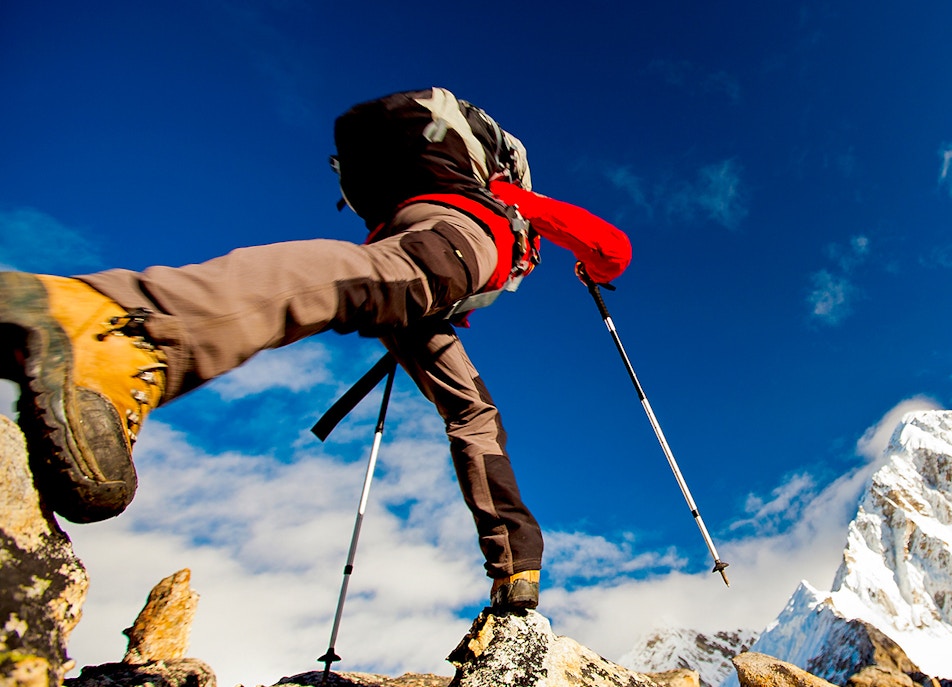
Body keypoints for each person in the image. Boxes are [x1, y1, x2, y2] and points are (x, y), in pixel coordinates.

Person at [0, 87, 631, 613]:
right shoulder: (504, 201)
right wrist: (595, 268)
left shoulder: (421, 199)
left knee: (472, 411)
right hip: (454, 242)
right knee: (386, 282)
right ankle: (123, 327)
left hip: (419, 278)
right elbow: (610, 244)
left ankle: (515, 569)